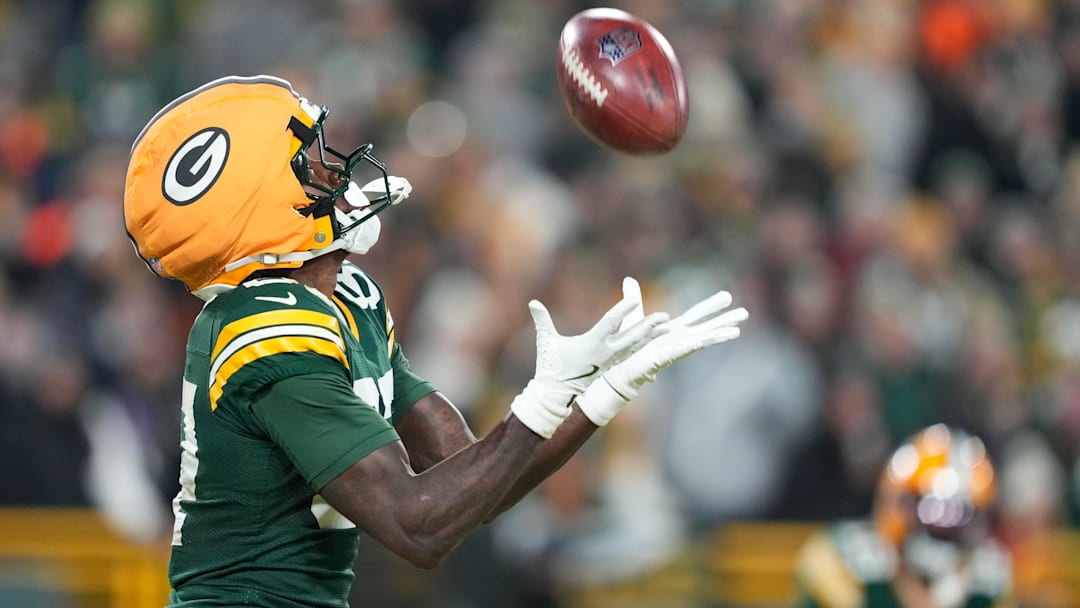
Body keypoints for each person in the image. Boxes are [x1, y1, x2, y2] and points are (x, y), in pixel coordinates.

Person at [123, 75, 749, 607]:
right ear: (258, 208)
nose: (332, 167)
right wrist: (542, 400)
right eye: (307, 162)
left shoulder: (348, 298)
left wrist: (599, 394)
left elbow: (471, 481)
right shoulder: (264, 333)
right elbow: (416, 524)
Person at [793, 424, 1014, 608]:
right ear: (896, 501)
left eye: (959, 513)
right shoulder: (844, 561)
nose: (943, 522)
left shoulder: (988, 580)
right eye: (929, 508)